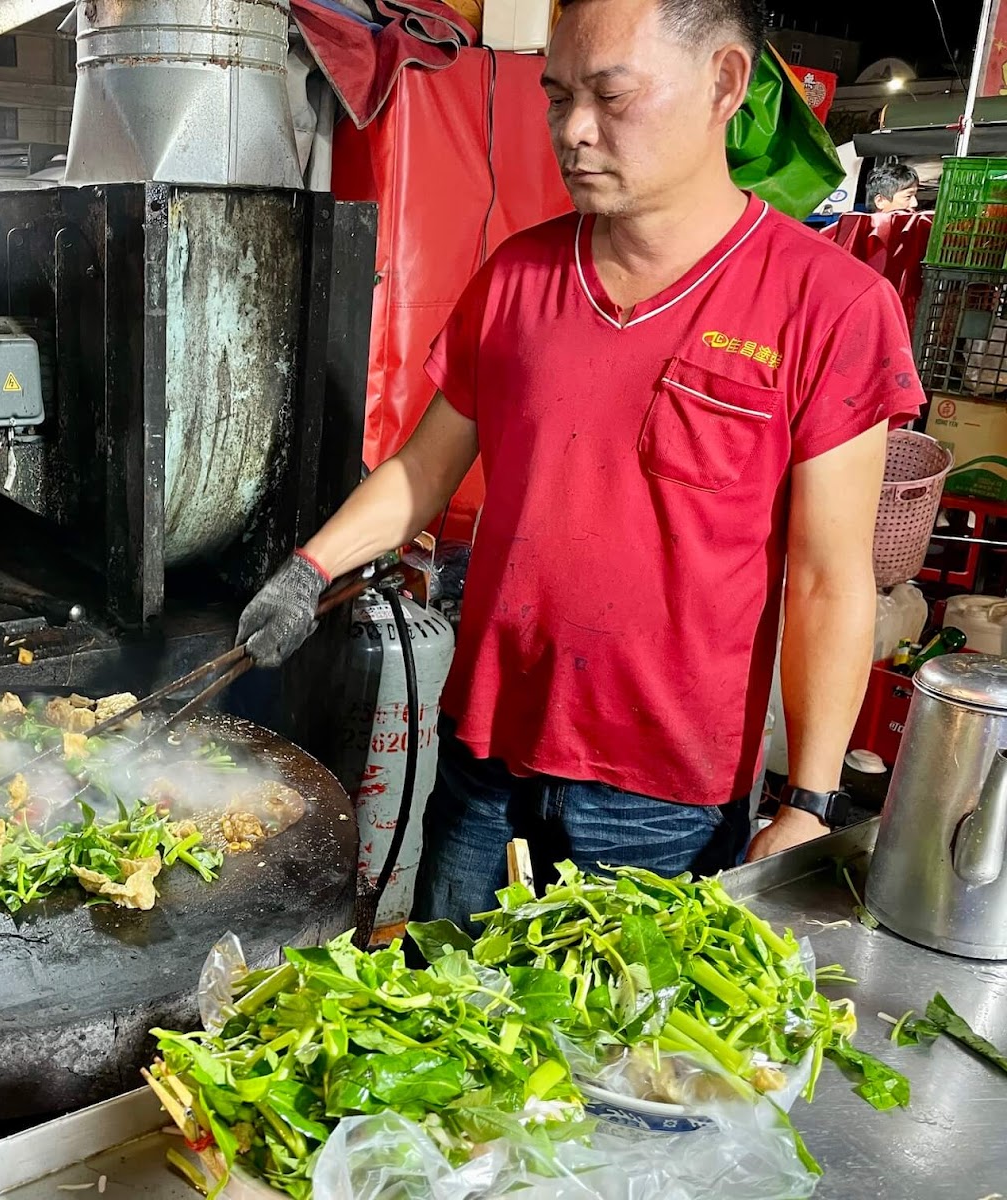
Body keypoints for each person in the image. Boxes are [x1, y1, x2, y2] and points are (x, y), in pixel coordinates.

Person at [236, 0, 924, 923]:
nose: (574, 131)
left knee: (606, 1051)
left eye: (611, 95)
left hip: (661, 798)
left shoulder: (829, 306)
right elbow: (424, 468)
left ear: (726, 83)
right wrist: (309, 568)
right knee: (442, 1025)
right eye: (559, 97)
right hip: (484, 759)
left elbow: (830, 579)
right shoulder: (518, 277)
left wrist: (808, 800)